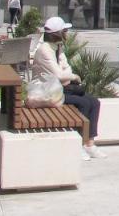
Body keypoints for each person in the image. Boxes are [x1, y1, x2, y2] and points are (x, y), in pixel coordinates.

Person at [32, 16, 105, 160]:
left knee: (94, 102)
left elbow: (66, 68)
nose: (67, 33)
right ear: (58, 33)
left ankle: (89, 144)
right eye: (65, 30)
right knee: (83, 103)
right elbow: (59, 74)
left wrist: (70, 76)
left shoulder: (58, 47)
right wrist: (73, 77)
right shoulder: (44, 50)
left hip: (58, 90)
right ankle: (78, 146)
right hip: (46, 93)